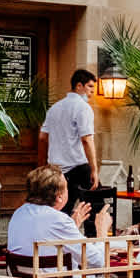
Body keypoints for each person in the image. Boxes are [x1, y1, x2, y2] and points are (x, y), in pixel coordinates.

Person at [6, 165, 128, 278]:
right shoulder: (58, 220)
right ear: (59, 197)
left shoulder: (19, 214)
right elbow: (98, 262)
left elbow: (48, 239)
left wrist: (72, 227)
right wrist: (102, 231)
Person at [38, 68, 100, 230]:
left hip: (56, 170)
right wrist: (94, 169)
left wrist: (43, 167)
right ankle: (94, 239)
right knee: (95, 207)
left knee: (60, 211)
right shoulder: (83, 107)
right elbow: (86, 139)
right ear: (79, 86)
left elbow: (42, 137)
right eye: (89, 87)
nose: (92, 92)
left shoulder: (54, 108)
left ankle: (58, 240)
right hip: (78, 168)